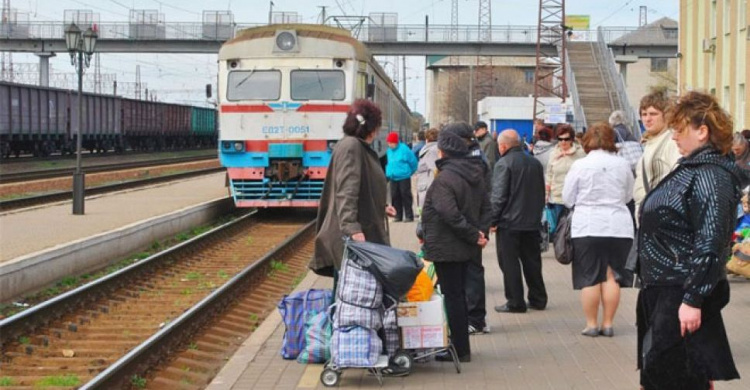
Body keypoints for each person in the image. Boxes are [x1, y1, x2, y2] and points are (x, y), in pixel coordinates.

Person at [637, 91, 741, 389]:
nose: (674, 138)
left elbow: (711, 240)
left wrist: (693, 298)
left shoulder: (710, 175)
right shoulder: (695, 169)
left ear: (702, 131)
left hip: (679, 289)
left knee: (673, 375)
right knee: (666, 373)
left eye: (680, 130)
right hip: (667, 288)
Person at [422, 122, 491, 363]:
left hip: (447, 248)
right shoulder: (475, 173)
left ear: (444, 151)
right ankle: (462, 346)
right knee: (459, 295)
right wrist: (480, 234)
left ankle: (459, 349)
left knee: (452, 297)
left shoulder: (446, 179)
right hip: (466, 247)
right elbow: (486, 207)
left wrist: (475, 235)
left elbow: (448, 214)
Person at [562, 122, 634, 337]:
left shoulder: (580, 165)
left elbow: (567, 198)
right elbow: (629, 195)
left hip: (587, 225)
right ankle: (609, 323)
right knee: (611, 276)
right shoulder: (622, 164)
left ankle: (592, 324)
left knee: (590, 276)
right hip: (618, 225)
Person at [310, 99, 397, 278]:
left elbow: (362, 187)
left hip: (356, 236)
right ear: (371, 128)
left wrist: (381, 206)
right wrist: (352, 228)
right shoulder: (352, 147)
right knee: (350, 298)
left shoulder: (354, 146)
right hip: (352, 240)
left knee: (350, 297)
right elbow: (346, 190)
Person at [491, 129, 548, 313]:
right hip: (531, 221)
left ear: (503, 146)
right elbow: (541, 192)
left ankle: (515, 301)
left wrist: (492, 220)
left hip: (509, 223)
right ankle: (538, 298)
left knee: (509, 263)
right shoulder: (535, 163)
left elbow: (499, 196)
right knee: (532, 261)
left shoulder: (503, 164)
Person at [633, 88, 682, 217]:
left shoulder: (672, 141)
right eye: (644, 114)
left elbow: (679, 179)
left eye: (653, 114)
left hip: (662, 215)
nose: (647, 119)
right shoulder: (648, 143)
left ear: (666, 115)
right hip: (646, 215)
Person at [546, 124, 586, 229]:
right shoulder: (553, 154)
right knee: (558, 231)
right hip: (557, 197)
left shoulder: (580, 154)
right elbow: (549, 174)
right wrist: (546, 194)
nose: (563, 142)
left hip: (576, 198)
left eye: (566, 139)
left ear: (572, 139)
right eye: (560, 139)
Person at [385, 132, 418, 222]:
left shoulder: (404, 149)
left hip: (404, 177)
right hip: (393, 177)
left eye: (391, 143)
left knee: (405, 195)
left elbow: (413, 162)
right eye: (388, 143)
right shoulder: (389, 151)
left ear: (396, 142)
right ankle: (397, 216)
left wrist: (410, 172)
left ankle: (409, 215)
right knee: (395, 196)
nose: (390, 145)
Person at [415, 128, 439, 212]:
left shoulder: (431, 151)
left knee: (424, 220)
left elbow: (435, 172)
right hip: (425, 189)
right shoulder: (433, 149)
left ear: (427, 139)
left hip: (427, 192)